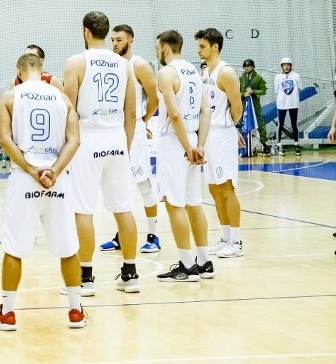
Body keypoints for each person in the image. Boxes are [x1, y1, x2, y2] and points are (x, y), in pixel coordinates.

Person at [0, 53, 86, 331]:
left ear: (18, 72)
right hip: (58, 180)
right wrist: (53, 170)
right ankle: (76, 311)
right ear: (42, 70)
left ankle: (7, 314)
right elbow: (74, 140)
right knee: (68, 248)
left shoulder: (9, 97)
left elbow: (5, 140)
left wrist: (32, 170)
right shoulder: (62, 98)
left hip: (25, 179)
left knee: (14, 248)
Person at [62, 11, 140, 296]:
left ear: (85, 31)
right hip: (117, 136)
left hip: (87, 137)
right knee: (123, 207)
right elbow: (131, 112)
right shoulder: (124, 64)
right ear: (107, 33)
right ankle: (130, 273)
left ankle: (85, 278)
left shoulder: (75, 62)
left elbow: (68, 110)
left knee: (83, 209)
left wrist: (65, 150)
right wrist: (125, 146)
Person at [154, 31, 214, 282]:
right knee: (194, 201)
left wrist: (187, 147)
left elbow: (174, 114)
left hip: (174, 141)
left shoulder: (166, 72)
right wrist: (199, 145)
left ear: (165, 48)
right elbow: (205, 111)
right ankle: (204, 260)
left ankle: (187, 265)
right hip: (192, 139)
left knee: (174, 203)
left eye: (158, 48)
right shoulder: (194, 71)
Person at [100, 24, 162, 254]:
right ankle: (120, 236)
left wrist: (142, 121)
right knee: (118, 185)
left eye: (119, 40)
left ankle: (154, 236)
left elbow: (154, 98)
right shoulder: (112, 64)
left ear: (131, 40)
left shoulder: (139, 65)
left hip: (134, 129)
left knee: (143, 182)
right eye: (112, 40)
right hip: (115, 129)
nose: (115, 44)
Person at [196, 28, 244, 259]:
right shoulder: (205, 72)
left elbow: (237, 108)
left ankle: (237, 240)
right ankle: (225, 237)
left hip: (222, 134)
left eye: (203, 46)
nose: (199, 50)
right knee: (214, 189)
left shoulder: (226, 73)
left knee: (226, 187)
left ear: (215, 47)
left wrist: (229, 128)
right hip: (208, 135)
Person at [240, 59, 269, 155]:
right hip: (244, 107)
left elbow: (263, 90)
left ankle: (264, 144)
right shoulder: (241, 79)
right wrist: (243, 94)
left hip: (255, 107)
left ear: (253, 67)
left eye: (249, 66)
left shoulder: (258, 78)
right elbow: (236, 92)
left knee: (259, 124)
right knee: (244, 125)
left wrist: (254, 92)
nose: (247, 68)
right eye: (245, 66)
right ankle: (247, 146)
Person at [274, 57, 302, 156]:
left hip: (293, 104)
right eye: (284, 65)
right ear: (282, 66)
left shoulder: (296, 76)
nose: (286, 66)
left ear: (291, 66)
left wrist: (295, 99)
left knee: (294, 124)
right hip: (282, 104)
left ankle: (296, 143)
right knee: (280, 125)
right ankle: (279, 143)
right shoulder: (278, 77)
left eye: (288, 65)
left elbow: (299, 89)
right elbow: (277, 91)